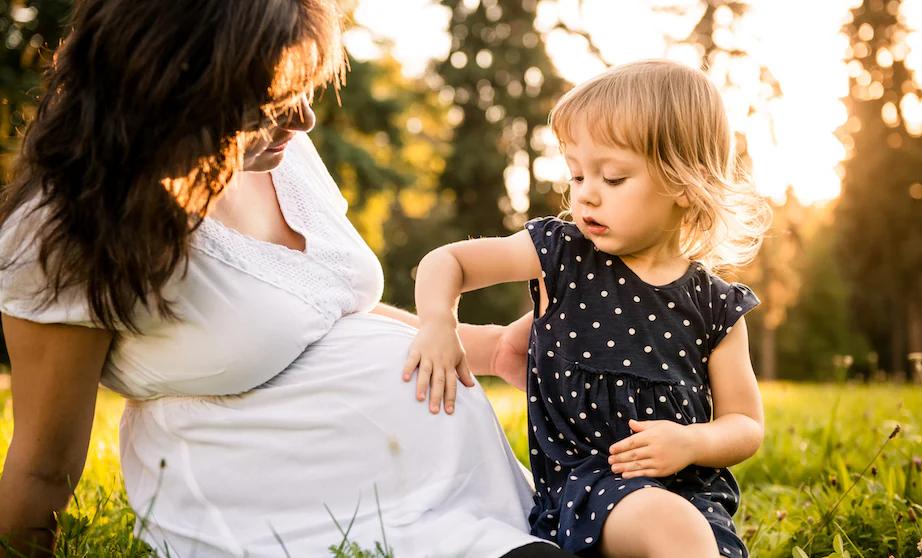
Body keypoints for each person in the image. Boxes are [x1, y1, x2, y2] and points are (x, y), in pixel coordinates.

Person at [0, 1, 579, 557]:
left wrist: (488, 347)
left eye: (300, 89)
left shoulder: (277, 149)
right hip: (287, 518)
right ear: (174, 91)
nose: (302, 119)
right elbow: (43, 464)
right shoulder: (63, 234)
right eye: (270, 101)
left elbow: (321, 308)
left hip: (458, 493)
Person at [406, 60, 771, 558]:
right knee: (672, 529)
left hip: (694, 500)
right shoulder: (562, 254)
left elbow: (745, 425)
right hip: (586, 493)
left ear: (686, 184)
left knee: (690, 533)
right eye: (577, 174)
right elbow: (447, 261)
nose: (586, 194)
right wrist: (437, 323)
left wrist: (690, 443)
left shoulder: (715, 307)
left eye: (614, 177)